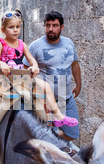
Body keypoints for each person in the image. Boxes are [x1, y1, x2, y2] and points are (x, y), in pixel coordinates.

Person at [0, 11, 78, 128]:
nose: (15, 30)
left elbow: (31, 59)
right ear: (3, 30)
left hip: (21, 76)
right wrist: (1, 64)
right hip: (4, 75)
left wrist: (35, 66)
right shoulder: (1, 44)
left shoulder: (23, 44)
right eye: (11, 27)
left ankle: (58, 115)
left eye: (17, 27)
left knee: (45, 86)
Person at [23, 11, 81, 141]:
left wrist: (78, 84)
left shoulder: (69, 43)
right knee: (40, 135)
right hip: (43, 101)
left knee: (72, 134)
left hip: (66, 97)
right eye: (48, 25)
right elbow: (26, 70)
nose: (50, 29)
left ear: (62, 27)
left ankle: (52, 142)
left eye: (55, 25)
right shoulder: (35, 46)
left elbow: (75, 65)